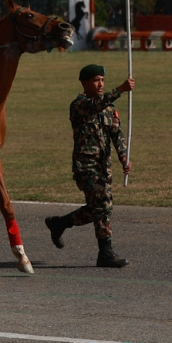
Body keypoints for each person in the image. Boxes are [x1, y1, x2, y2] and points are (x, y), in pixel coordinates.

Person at [44, 64, 134, 267]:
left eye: (102, 80)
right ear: (84, 83)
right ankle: (105, 254)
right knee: (102, 205)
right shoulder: (79, 105)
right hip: (85, 166)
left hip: (104, 166)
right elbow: (95, 105)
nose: (100, 84)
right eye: (96, 80)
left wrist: (123, 157)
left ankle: (59, 223)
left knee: (100, 208)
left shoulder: (108, 108)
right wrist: (120, 89)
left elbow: (117, 134)